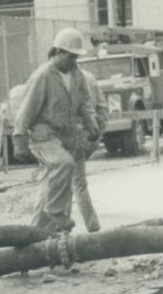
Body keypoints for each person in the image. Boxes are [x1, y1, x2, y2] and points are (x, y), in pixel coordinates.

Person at [13, 28, 102, 233]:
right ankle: (55, 212)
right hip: (43, 137)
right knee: (64, 164)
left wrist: (92, 123)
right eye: (71, 56)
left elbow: (85, 102)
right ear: (58, 52)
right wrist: (19, 138)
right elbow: (26, 109)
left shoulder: (77, 75)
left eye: (76, 57)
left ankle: (42, 236)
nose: (74, 61)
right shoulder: (42, 76)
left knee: (51, 186)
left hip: (65, 136)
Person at [43, 45, 108, 233]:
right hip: (84, 135)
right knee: (78, 183)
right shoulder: (90, 78)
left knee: (62, 183)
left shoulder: (59, 80)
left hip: (64, 137)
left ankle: (62, 229)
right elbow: (102, 109)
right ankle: (92, 225)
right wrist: (96, 135)